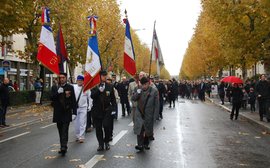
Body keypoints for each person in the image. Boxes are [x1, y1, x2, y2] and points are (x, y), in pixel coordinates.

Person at [51, 73, 77, 156]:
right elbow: (51, 98)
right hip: (58, 112)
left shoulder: (70, 87)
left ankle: (64, 147)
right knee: (60, 130)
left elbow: (73, 100)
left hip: (66, 111)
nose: (61, 79)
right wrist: (57, 93)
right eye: (60, 78)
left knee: (65, 130)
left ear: (66, 78)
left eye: (63, 77)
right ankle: (62, 146)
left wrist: (74, 112)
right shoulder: (55, 87)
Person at [91, 70, 116, 151]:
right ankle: (100, 144)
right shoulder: (95, 86)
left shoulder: (110, 86)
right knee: (98, 128)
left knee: (106, 126)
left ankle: (106, 142)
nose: (104, 77)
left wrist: (114, 109)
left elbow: (113, 99)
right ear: (99, 76)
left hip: (107, 110)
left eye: (105, 75)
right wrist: (99, 90)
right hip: (97, 111)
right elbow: (92, 96)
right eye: (103, 75)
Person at [132, 77, 159, 151]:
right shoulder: (137, 89)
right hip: (139, 113)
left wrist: (155, 116)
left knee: (147, 129)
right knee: (139, 129)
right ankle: (140, 145)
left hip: (149, 113)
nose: (144, 86)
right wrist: (138, 93)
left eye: (145, 84)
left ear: (148, 83)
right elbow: (133, 98)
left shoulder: (154, 91)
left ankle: (146, 143)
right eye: (142, 84)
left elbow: (156, 105)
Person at [73, 75, 92, 143]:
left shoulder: (86, 88)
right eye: (78, 80)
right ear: (76, 81)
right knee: (76, 123)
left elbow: (90, 97)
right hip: (75, 108)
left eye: (81, 81)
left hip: (83, 108)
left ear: (83, 81)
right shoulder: (73, 87)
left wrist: (89, 106)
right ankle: (77, 135)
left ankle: (81, 136)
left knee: (82, 122)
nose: (79, 82)